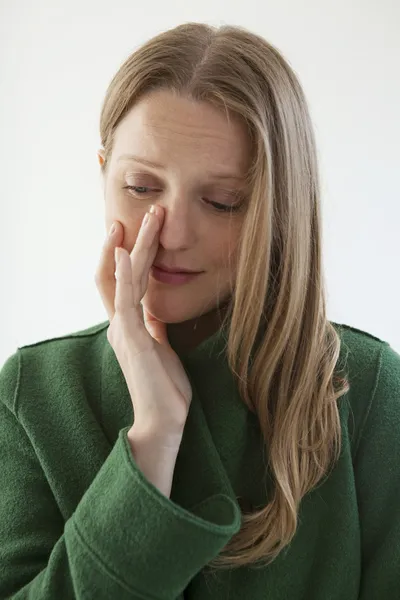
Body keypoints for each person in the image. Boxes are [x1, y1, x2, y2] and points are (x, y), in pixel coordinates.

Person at [0, 21, 399, 600]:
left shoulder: (367, 388)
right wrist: (154, 437)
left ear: (278, 209)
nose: (174, 233)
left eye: (222, 202)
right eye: (140, 187)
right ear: (103, 174)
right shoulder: (31, 396)